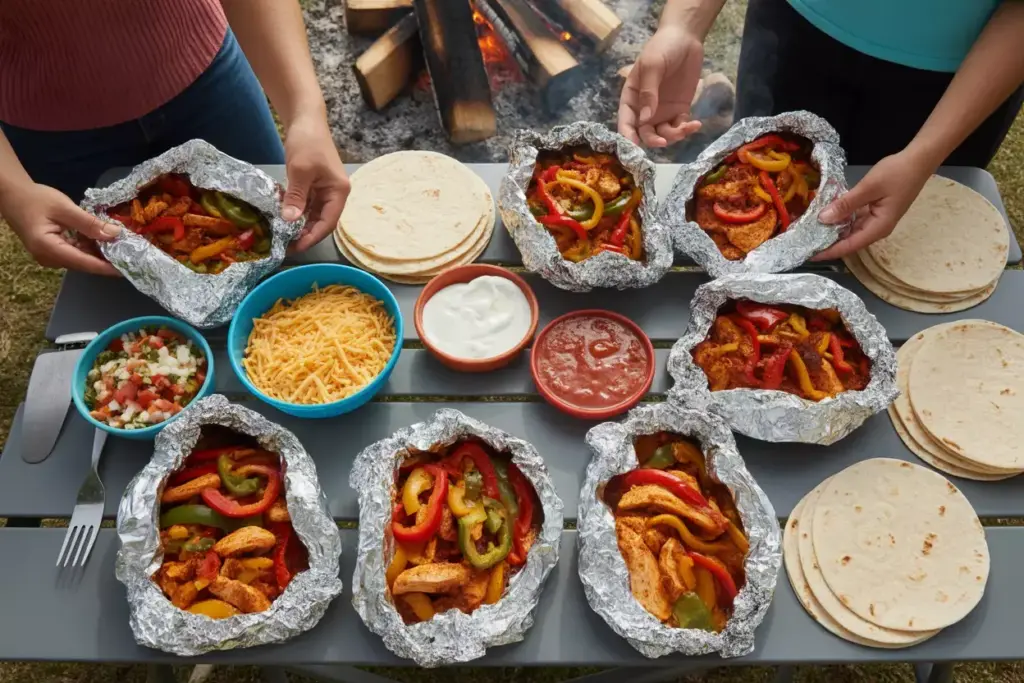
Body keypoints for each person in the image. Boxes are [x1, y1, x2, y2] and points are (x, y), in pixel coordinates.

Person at [619, 0, 1024, 260]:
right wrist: (683, 26)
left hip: (958, 79)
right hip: (794, 27)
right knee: (755, 198)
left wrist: (925, 154)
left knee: (905, 255)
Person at [0, 0, 349, 276]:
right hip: (54, 131)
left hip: (209, 77)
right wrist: (13, 192)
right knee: (125, 291)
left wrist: (306, 111)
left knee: (286, 245)